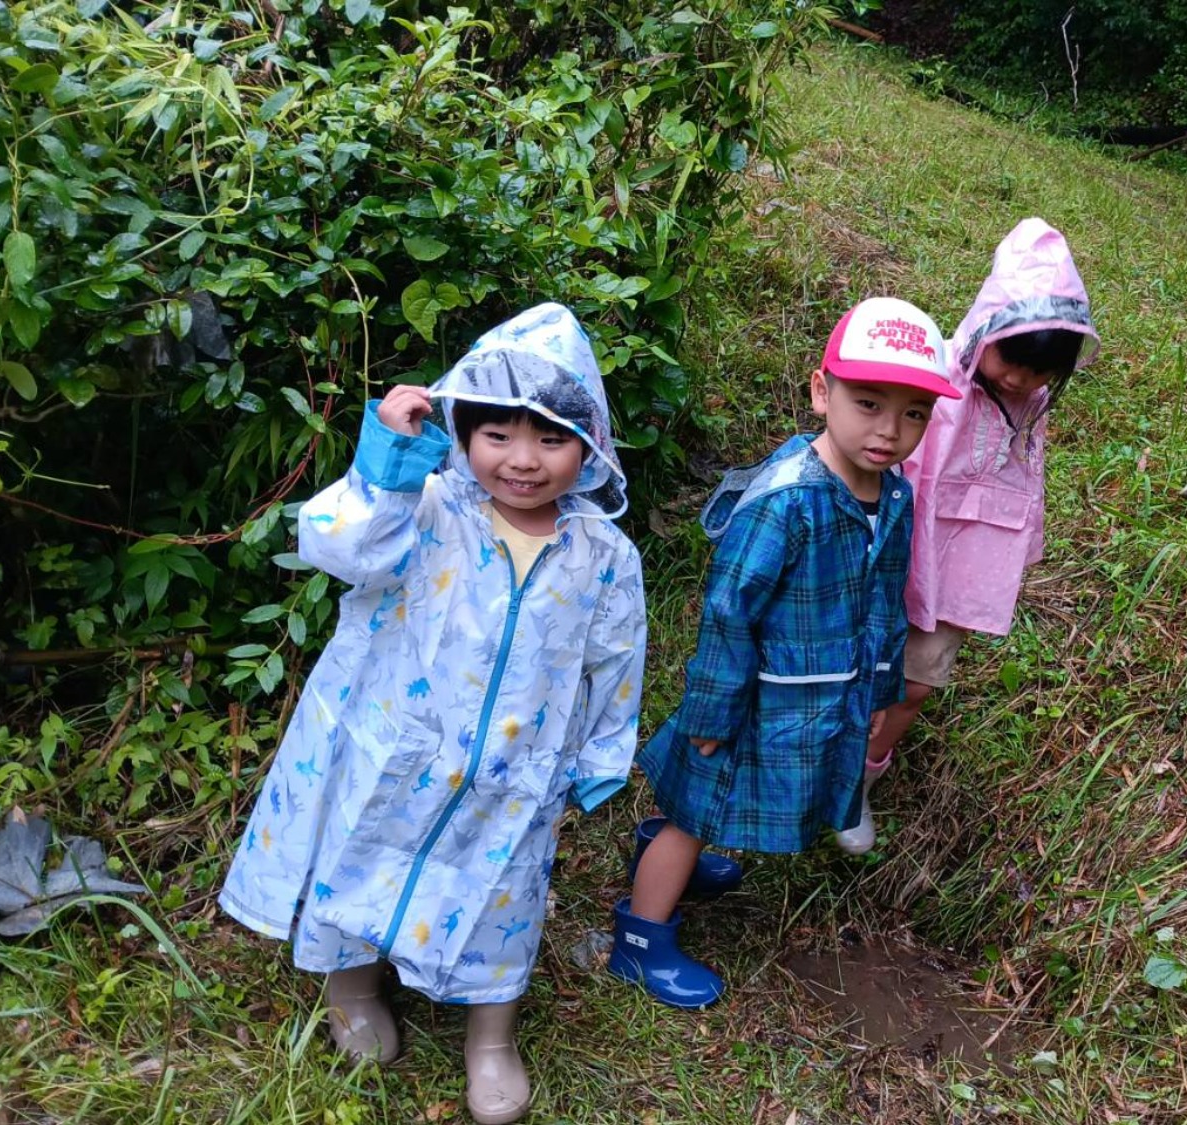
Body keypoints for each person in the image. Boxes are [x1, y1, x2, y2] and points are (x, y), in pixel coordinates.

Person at [219, 303, 646, 1125]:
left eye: (552, 439)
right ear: (462, 431)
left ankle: (491, 1036)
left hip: (516, 771)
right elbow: (339, 545)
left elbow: (615, 659)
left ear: (589, 446)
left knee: (501, 895)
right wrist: (388, 459)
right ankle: (351, 984)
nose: (523, 461)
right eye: (499, 436)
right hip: (397, 750)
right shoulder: (426, 508)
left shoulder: (603, 554)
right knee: (362, 854)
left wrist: (600, 756)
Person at [609, 297, 958, 1008]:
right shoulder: (787, 501)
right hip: (749, 701)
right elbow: (730, 610)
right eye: (868, 402)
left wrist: (883, 679)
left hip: (814, 693)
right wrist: (711, 711)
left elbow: (885, 594)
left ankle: (674, 862)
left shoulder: (890, 494)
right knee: (694, 810)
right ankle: (642, 938)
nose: (890, 430)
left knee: (708, 811)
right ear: (821, 390)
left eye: (914, 412)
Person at [834, 218, 1099, 855]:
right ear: (988, 330)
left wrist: (1022, 549)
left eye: (1040, 372)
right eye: (1012, 360)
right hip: (895, 554)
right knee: (848, 664)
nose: (1018, 379)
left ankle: (855, 785)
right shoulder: (936, 385)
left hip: (960, 568)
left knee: (916, 682)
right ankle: (813, 763)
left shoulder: (1028, 407)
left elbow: (1023, 484)